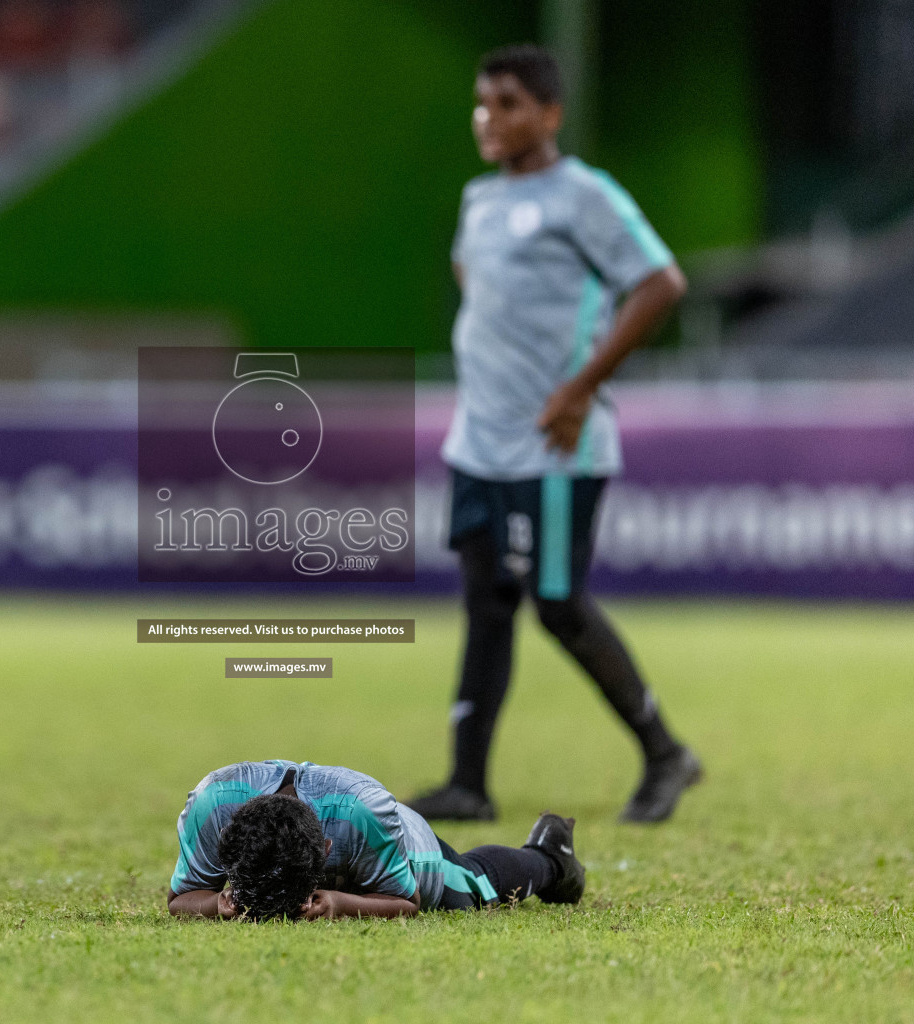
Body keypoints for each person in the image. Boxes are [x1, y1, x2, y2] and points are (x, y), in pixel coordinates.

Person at [407, 45, 701, 826]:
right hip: (479, 441)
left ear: (549, 114)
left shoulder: (585, 196)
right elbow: (477, 282)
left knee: (559, 604)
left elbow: (661, 283)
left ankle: (666, 753)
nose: (488, 118)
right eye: (481, 103)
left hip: (555, 445)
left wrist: (577, 386)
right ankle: (467, 782)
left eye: (506, 103)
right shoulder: (480, 200)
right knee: (486, 604)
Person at [166, 759, 583, 920]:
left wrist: (340, 903)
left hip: (400, 846)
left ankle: (551, 856)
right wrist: (216, 903)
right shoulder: (212, 805)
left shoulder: (365, 814)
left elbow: (407, 903)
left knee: (476, 886)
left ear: (326, 854)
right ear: (227, 844)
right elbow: (180, 900)